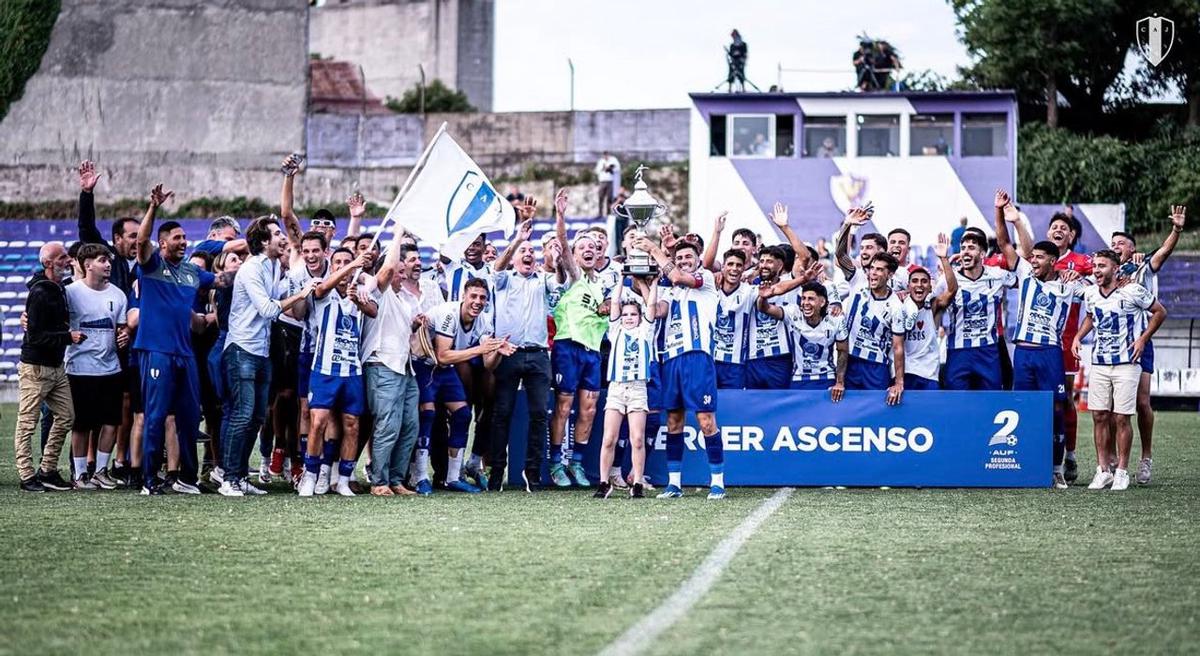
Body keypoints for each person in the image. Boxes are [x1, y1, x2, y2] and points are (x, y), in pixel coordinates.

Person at [134, 184, 231, 495]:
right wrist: (153, 207)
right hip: (157, 350)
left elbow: (221, 280)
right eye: (177, 238)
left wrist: (251, 262)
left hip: (185, 353)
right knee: (156, 415)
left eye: (184, 238)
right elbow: (140, 241)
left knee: (190, 417)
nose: (183, 242)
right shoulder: (150, 265)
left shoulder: (191, 272)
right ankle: (149, 480)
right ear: (162, 243)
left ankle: (186, 478)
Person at [993, 190, 1084, 488]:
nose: (1033, 260)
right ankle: (1027, 465)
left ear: (1053, 261)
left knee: (1056, 408)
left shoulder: (1068, 285)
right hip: (1024, 353)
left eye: (1040, 258)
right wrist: (1004, 214)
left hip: (1049, 354)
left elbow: (1100, 299)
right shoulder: (1026, 276)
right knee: (1023, 408)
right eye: (1032, 257)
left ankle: (1056, 468)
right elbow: (1006, 243)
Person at [219, 216, 311, 497]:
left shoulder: (272, 265)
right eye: (275, 233)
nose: (282, 237)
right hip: (242, 350)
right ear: (262, 242)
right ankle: (228, 478)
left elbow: (281, 292)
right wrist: (301, 295)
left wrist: (301, 282)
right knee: (243, 414)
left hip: (260, 351)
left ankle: (240, 477)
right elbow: (270, 309)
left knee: (258, 416)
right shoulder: (250, 269)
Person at [633, 236, 726, 499]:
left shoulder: (705, 280)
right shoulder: (672, 290)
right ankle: (674, 484)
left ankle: (717, 481)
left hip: (697, 357)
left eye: (688, 258)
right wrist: (644, 284)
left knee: (706, 421)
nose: (684, 261)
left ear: (697, 261)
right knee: (673, 421)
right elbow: (659, 310)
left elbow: (678, 277)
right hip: (670, 359)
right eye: (680, 258)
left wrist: (653, 248)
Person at [1071, 250, 1166, 492]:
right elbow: (1091, 316)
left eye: (1102, 266)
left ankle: (1122, 470)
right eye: (1094, 266)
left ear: (1115, 269)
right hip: (1100, 362)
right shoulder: (1091, 292)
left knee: (1121, 417)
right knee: (1099, 416)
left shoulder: (1132, 290)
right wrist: (1078, 337)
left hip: (1127, 362)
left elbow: (1160, 312)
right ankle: (1103, 471)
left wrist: (1143, 339)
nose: (1096, 270)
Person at [1109, 205, 1186, 484]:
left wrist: (1176, 229)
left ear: (1132, 249)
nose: (1115, 247)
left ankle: (1146, 457)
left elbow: (1164, 251)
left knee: (1141, 402)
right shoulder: (1106, 270)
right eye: (1113, 243)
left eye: (1121, 244)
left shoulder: (1144, 265)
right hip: (1110, 344)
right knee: (1109, 405)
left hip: (1139, 341)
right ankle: (1110, 463)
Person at [487, 200, 560, 491]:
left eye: (531, 250)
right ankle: (497, 473)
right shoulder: (504, 280)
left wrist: (555, 252)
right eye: (523, 252)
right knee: (501, 413)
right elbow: (496, 266)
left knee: (540, 414)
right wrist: (518, 237)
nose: (528, 254)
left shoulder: (543, 279)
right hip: (510, 352)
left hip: (539, 355)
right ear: (515, 257)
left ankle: (532, 472)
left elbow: (562, 279)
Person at [296, 249, 377, 497]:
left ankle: (342, 480)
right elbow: (318, 292)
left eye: (347, 262)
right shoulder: (323, 290)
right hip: (324, 369)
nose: (343, 267)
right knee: (318, 421)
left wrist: (359, 300)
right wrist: (353, 263)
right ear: (332, 267)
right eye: (338, 262)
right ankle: (310, 476)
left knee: (352, 425)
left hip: (352, 371)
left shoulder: (360, 291)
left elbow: (373, 311)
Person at [421, 280, 514, 492]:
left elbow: (488, 364)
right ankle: (419, 477)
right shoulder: (448, 314)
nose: (477, 302)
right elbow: (442, 355)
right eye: (473, 296)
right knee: (427, 417)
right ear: (464, 296)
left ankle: (454, 477)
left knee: (463, 414)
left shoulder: (484, 320)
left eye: (482, 298)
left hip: (443, 369)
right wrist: (481, 349)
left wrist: (497, 350)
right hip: (424, 365)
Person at [361, 238, 435, 496]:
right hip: (382, 363)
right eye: (398, 272)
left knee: (409, 426)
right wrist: (399, 228)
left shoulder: (403, 300)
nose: (402, 276)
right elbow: (388, 266)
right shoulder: (377, 290)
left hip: (405, 367)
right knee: (388, 424)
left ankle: (395, 479)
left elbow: (399, 329)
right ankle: (379, 481)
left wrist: (413, 326)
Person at [548, 191, 609, 487]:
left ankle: (577, 463)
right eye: (582, 246)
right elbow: (562, 241)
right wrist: (560, 215)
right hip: (567, 347)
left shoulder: (602, 287)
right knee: (564, 404)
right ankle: (556, 463)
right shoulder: (575, 276)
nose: (589, 249)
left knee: (589, 408)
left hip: (593, 353)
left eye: (594, 247)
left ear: (600, 255)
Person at [13, 241, 82, 492]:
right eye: (62, 257)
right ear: (48, 263)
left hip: (55, 366)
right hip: (36, 367)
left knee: (66, 417)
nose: (68, 260)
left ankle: (47, 469)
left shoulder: (57, 287)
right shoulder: (41, 293)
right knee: (27, 422)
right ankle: (26, 475)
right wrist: (68, 337)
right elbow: (34, 336)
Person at [64, 244, 129, 490]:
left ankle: (101, 471)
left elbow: (121, 328)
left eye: (109, 260)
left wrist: (124, 335)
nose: (108, 264)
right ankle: (80, 474)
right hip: (79, 369)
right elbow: (57, 323)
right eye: (102, 260)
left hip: (110, 368)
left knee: (111, 422)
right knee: (81, 424)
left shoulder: (118, 295)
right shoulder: (70, 292)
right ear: (87, 264)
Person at [595, 278, 657, 499]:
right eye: (625, 315)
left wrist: (654, 282)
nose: (628, 318)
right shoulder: (615, 331)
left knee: (637, 439)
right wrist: (621, 279)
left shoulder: (645, 332)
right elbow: (613, 305)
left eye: (633, 314)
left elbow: (651, 305)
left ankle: (637, 482)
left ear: (639, 318)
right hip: (616, 388)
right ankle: (604, 482)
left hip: (638, 388)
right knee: (609, 438)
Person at [831, 251, 907, 405]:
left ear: (890, 275)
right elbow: (840, 255)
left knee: (876, 413)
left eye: (879, 269)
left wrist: (899, 383)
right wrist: (847, 226)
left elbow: (898, 347)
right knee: (846, 409)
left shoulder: (896, 306)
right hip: (849, 360)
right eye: (872, 268)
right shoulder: (858, 282)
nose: (873, 273)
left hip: (876, 367)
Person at [942, 228, 1013, 391]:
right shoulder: (947, 279)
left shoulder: (998, 275)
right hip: (958, 351)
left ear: (982, 254)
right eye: (963, 248)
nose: (966, 252)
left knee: (990, 403)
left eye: (971, 247)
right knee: (958, 403)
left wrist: (1060, 273)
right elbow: (926, 300)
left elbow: (1028, 278)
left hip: (988, 351)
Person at [758, 281, 844, 390]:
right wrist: (763, 298)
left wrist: (839, 382)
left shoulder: (836, 319)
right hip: (799, 379)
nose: (805, 303)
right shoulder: (793, 312)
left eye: (811, 299)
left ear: (822, 302)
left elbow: (843, 351)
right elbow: (765, 308)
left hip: (826, 378)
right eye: (803, 298)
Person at [901, 234, 956, 391]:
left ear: (930, 287)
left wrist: (944, 259)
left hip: (929, 373)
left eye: (924, 281)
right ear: (908, 286)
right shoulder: (899, 305)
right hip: (905, 371)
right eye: (915, 281)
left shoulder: (934, 305)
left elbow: (952, 290)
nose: (919, 285)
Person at [594, 151, 620, 217]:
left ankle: (608, 213)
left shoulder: (613, 160)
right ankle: (600, 213)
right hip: (602, 181)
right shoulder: (601, 161)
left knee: (609, 198)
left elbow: (617, 169)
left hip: (610, 181)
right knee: (601, 197)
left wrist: (610, 168)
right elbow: (596, 171)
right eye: (605, 155)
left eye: (607, 155)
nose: (606, 156)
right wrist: (603, 168)